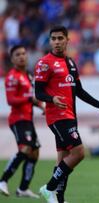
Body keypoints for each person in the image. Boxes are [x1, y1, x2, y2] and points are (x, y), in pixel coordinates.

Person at [34, 25, 99, 203]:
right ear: (50, 41)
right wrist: (52, 99)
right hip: (57, 116)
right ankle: (49, 188)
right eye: (53, 39)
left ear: (67, 40)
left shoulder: (70, 63)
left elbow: (79, 91)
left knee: (63, 159)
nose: (56, 42)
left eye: (60, 38)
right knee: (78, 152)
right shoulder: (44, 63)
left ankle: (59, 199)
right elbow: (38, 93)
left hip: (70, 115)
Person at [0, 45, 44, 198]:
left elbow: (31, 98)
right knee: (25, 149)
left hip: (28, 119)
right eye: (17, 54)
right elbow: (11, 100)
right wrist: (30, 99)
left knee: (35, 153)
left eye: (24, 53)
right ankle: (3, 180)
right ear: (12, 59)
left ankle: (23, 189)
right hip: (18, 119)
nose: (21, 56)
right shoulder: (12, 76)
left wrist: (40, 105)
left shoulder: (29, 76)